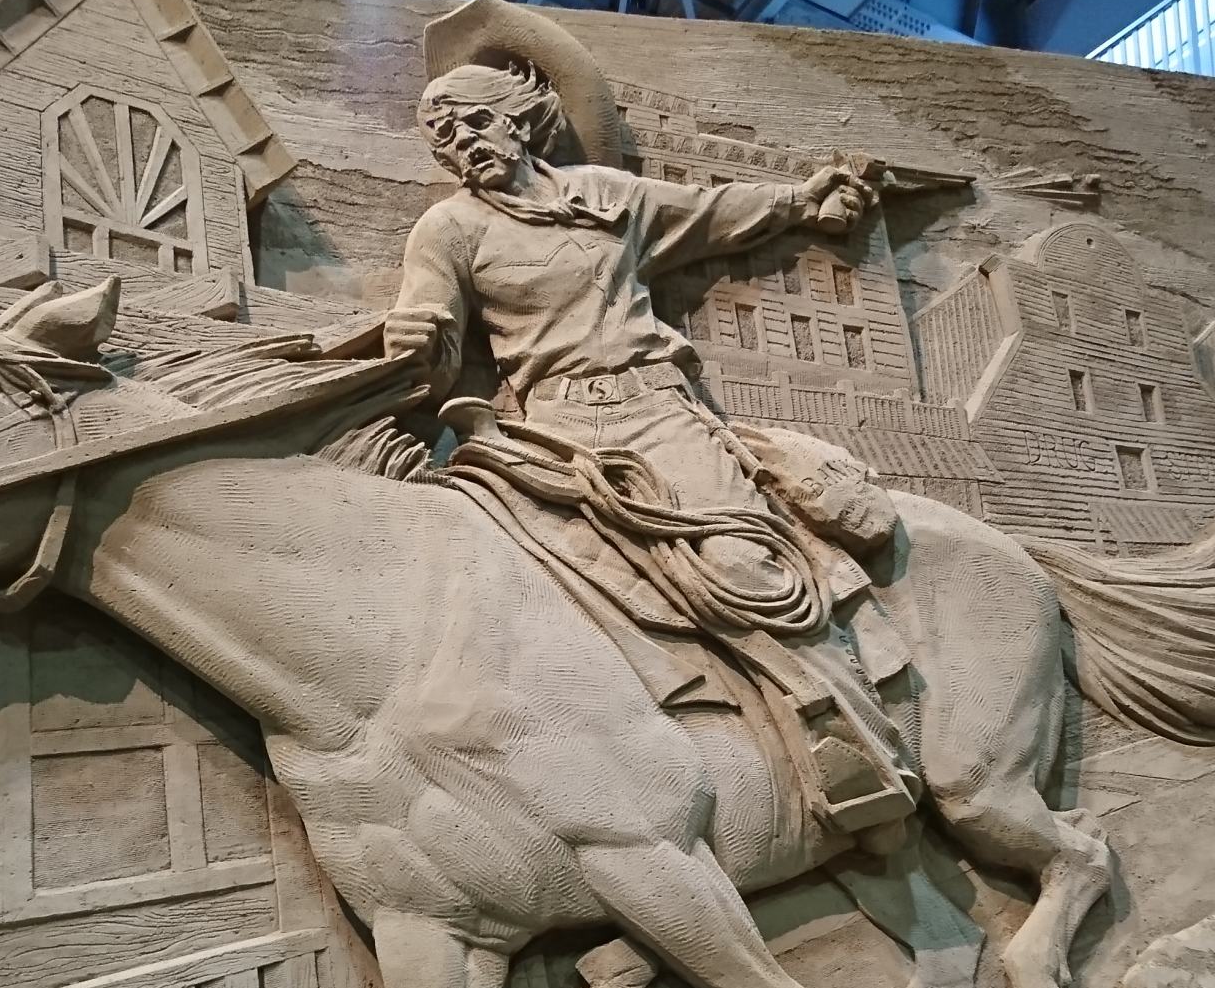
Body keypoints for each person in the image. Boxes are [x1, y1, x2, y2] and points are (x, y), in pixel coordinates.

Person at [385, 60, 914, 833]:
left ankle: (856, 741)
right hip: (554, 431)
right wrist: (416, 341)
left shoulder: (606, 197)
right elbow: (428, 341)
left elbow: (711, 211)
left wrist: (806, 200)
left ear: (517, 119)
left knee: (746, 569)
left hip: (658, 414)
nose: (461, 142)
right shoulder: (449, 229)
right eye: (442, 135)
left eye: (473, 120)